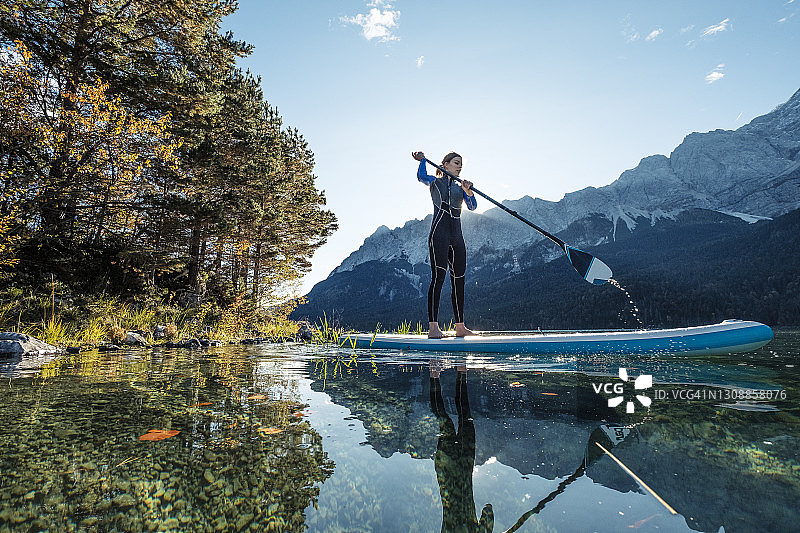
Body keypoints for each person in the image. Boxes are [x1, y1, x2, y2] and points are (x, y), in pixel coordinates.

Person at [412, 151, 477, 338]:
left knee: (459, 280)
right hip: (439, 235)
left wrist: (468, 192)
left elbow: (472, 207)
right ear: (445, 165)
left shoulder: (461, 188)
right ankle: (433, 328)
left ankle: (460, 327)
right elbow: (420, 176)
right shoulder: (435, 182)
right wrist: (423, 160)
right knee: (438, 277)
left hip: (457, 237)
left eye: (461, 164)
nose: (460, 166)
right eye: (456, 163)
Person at [429, 360, 494, 532]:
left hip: (459, 466)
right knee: (447, 420)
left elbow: (488, 511)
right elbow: (487, 510)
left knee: (460, 417)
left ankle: (451, 372)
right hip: (448, 469)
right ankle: (438, 374)